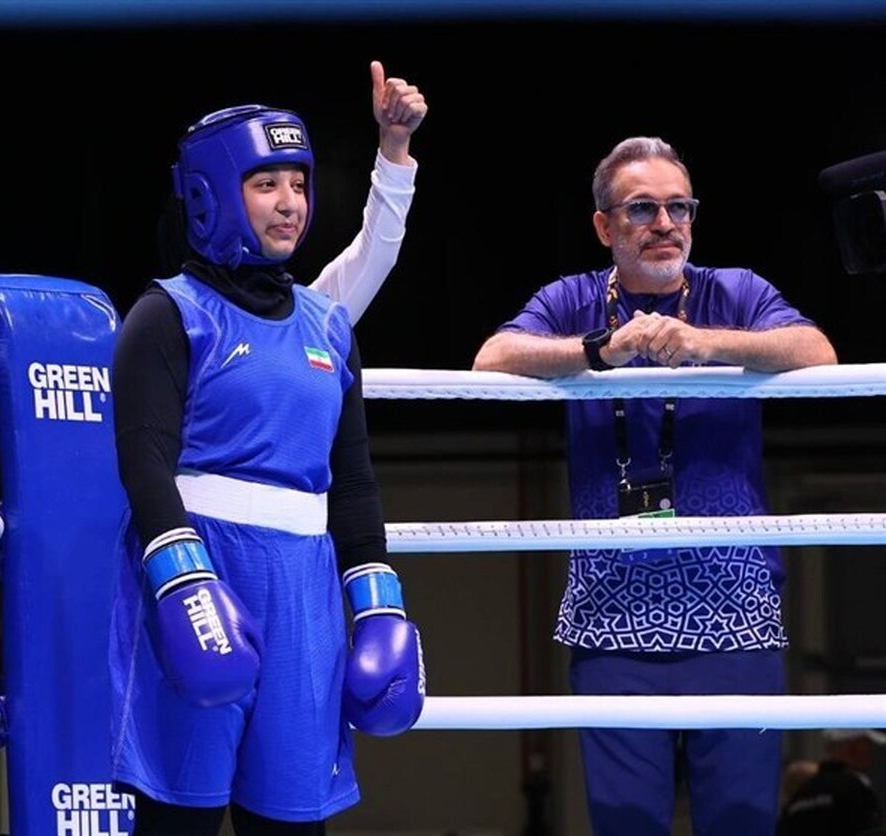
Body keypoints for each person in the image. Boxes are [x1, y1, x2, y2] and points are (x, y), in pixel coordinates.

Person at [472, 136, 838, 836]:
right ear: (604, 226)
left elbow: (815, 351)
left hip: (735, 610)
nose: (665, 223)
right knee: (627, 824)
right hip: (610, 614)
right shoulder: (573, 299)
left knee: (740, 822)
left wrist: (709, 343)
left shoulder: (735, 292)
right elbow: (492, 360)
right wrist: (598, 350)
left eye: (679, 207)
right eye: (643, 208)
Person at [108, 61, 428, 835]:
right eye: (266, 184)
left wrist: (378, 606)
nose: (290, 202)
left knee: (291, 821)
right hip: (201, 568)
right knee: (177, 820)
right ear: (214, 194)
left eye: (299, 183)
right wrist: (185, 583)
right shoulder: (168, 315)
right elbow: (143, 464)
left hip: (305, 592)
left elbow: (354, 483)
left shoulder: (327, 326)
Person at [777, 728, 886, 835]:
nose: (871, 751)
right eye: (867, 744)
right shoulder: (856, 789)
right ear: (854, 747)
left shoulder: (800, 795)